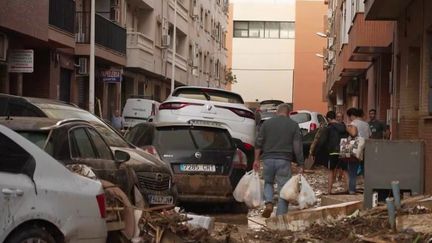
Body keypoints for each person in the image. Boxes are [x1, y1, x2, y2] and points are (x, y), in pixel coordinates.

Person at [253, 103, 304, 218]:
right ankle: (280, 216)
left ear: (277, 112)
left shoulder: (267, 124)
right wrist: (300, 163)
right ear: (289, 113)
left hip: (268, 159)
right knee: (284, 188)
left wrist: (256, 160)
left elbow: (258, 143)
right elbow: (297, 146)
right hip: (284, 160)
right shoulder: (293, 125)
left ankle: (269, 203)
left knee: (268, 182)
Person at [311, 111, 349, 195]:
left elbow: (323, 141)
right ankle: (348, 188)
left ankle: (329, 191)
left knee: (331, 170)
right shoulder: (343, 126)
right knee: (345, 170)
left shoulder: (329, 127)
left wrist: (315, 152)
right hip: (343, 150)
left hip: (333, 151)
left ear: (328, 119)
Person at [346, 108, 371, 194]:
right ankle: (368, 189)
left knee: (352, 170)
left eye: (349, 117)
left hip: (356, 149)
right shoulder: (366, 124)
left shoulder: (353, 123)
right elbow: (369, 136)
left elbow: (353, 134)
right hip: (366, 149)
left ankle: (352, 190)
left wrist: (347, 128)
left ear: (352, 116)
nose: (349, 119)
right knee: (365, 171)